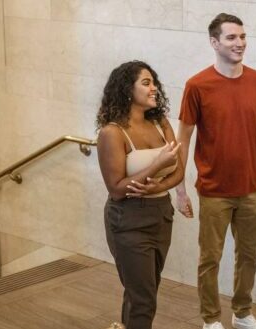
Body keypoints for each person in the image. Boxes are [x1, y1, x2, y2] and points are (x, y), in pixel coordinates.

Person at [175, 13, 256, 329]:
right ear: (214, 42)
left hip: (252, 188)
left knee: (249, 257)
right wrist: (179, 188)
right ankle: (210, 321)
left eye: (243, 37)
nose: (240, 43)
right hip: (213, 191)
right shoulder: (197, 85)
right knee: (210, 260)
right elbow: (183, 139)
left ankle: (243, 314)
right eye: (232, 38)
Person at [96, 60, 184, 329]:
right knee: (144, 299)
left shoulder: (160, 123)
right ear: (126, 90)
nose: (154, 88)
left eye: (154, 82)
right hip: (128, 220)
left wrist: (156, 187)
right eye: (146, 83)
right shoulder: (112, 132)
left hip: (161, 216)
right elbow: (117, 188)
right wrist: (156, 166)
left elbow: (179, 171)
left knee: (143, 291)